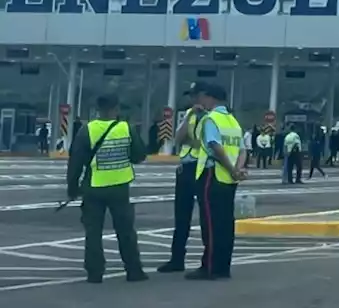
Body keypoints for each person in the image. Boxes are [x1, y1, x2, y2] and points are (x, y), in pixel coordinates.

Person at [67, 93, 148, 284]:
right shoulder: (127, 128)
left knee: (93, 232)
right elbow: (139, 156)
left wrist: (72, 188)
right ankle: (133, 270)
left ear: (97, 109)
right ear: (116, 109)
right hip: (120, 187)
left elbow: (76, 162)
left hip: (94, 187)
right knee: (126, 230)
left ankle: (95, 273)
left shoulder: (87, 130)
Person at [188, 83, 247, 281]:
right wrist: (237, 170)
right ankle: (223, 267)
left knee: (211, 224)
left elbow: (214, 145)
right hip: (229, 180)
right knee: (225, 224)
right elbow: (242, 149)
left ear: (209, 97)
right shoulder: (233, 121)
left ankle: (209, 267)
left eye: (202, 97)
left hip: (211, 175)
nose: (200, 101)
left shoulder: (210, 119)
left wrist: (231, 168)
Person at [158, 83, 204, 274]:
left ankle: (208, 260)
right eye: (191, 97)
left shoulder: (213, 116)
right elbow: (178, 138)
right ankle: (177, 258)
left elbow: (206, 143)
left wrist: (191, 140)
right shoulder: (189, 114)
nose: (193, 100)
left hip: (203, 167)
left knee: (207, 216)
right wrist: (190, 116)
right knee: (181, 216)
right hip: (186, 167)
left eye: (196, 96)